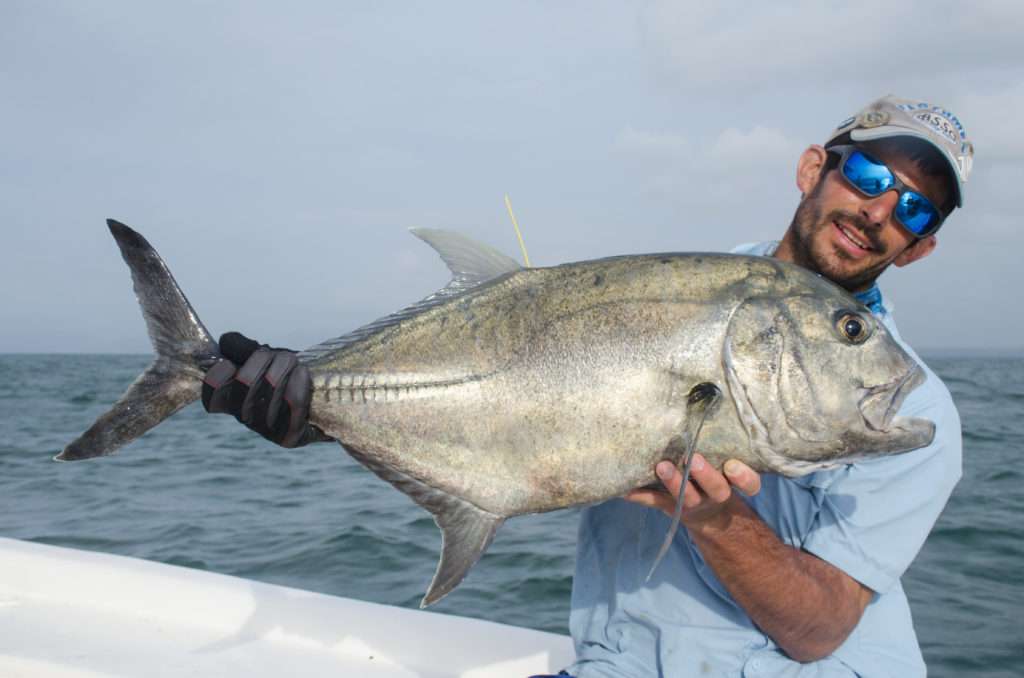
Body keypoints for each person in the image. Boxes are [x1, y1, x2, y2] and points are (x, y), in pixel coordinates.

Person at [203, 95, 972, 677]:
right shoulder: (670, 286)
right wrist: (310, 410)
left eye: (912, 207)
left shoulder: (911, 406)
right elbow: (512, 398)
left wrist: (715, 518)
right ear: (815, 169)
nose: (877, 211)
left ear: (922, 247)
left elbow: (819, 630)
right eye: (870, 175)